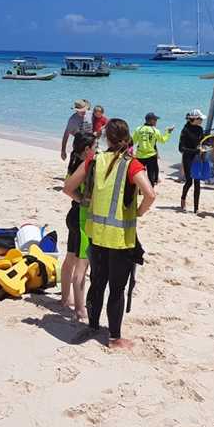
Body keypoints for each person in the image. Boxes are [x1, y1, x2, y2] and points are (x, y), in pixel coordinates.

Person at [63, 118, 156, 349]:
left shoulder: (94, 160)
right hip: (121, 239)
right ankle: (114, 338)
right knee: (117, 288)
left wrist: (84, 201)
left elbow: (68, 188)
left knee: (97, 282)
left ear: (107, 138)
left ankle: (93, 326)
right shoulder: (131, 164)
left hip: (96, 234)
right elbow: (150, 194)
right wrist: (138, 212)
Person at [60, 132, 97, 320]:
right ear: (87, 149)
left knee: (70, 260)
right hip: (80, 217)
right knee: (81, 265)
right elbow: (68, 188)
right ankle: (80, 310)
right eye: (95, 146)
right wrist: (83, 200)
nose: (97, 149)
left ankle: (65, 298)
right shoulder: (84, 165)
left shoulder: (73, 161)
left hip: (72, 215)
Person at [132, 112, 174, 186]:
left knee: (138, 175)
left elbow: (133, 141)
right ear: (151, 120)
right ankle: (150, 191)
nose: (156, 122)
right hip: (151, 156)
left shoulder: (138, 129)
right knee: (151, 176)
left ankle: (139, 190)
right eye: (155, 120)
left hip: (140, 156)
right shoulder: (155, 131)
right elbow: (163, 140)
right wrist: (168, 132)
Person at [179, 109, 206, 212]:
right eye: (200, 119)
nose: (202, 120)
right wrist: (195, 151)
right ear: (194, 119)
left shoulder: (200, 129)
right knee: (189, 182)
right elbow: (181, 148)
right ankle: (183, 199)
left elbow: (202, 143)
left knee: (197, 182)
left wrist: (203, 150)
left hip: (197, 158)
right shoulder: (185, 130)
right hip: (188, 158)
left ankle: (196, 208)